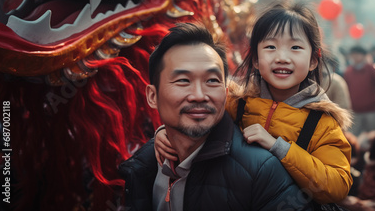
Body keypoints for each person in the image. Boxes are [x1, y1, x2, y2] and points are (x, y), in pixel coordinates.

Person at [155, 1, 353, 205]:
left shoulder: (322, 123)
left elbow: (337, 186)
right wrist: (165, 133)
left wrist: (279, 148)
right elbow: (196, 118)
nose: (282, 57)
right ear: (256, 59)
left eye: (295, 47)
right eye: (270, 47)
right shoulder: (236, 101)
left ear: (313, 59)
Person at [119, 23, 314, 210]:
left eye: (212, 80)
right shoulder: (142, 167)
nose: (199, 95)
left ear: (226, 92)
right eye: (183, 80)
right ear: (153, 96)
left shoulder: (261, 172)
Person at [344, 45, 375, 136]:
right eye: (353, 55)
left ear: (364, 56)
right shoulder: (348, 71)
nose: (355, 57)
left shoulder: (370, 68)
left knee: (373, 136)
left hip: (371, 110)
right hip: (355, 111)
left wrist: (370, 65)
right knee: (353, 137)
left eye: (357, 54)